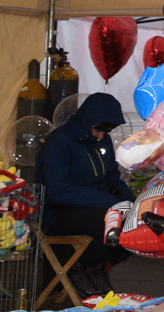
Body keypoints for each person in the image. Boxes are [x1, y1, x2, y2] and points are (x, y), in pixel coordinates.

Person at [36, 93, 136, 296]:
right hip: (59, 211)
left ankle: (99, 267)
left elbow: (113, 177)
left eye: (106, 131)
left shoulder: (102, 141)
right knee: (110, 222)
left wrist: (131, 201)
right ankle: (81, 268)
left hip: (96, 206)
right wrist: (109, 202)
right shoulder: (59, 142)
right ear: (87, 121)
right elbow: (58, 191)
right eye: (98, 129)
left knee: (136, 224)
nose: (101, 136)